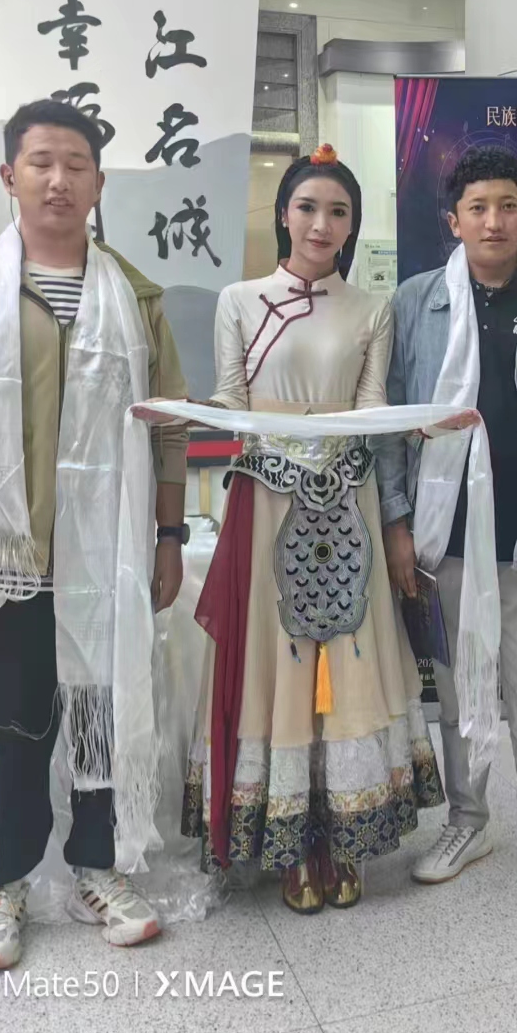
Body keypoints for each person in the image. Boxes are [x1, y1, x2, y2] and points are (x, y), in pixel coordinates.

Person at [0, 99, 189, 970]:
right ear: (9, 175)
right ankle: (3, 881)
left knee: (102, 716)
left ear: (99, 183)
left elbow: (169, 428)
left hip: (107, 554)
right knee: (10, 730)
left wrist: (169, 537)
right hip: (0, 557)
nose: (59, 180)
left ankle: (97, 866)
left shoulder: (134, 295)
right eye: (41, 162)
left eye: (76, 165)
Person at [180, 146, 443, 914]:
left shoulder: (371, 308)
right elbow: (232, 401)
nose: (321, 223)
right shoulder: (239, 299)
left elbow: (371, 410)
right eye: (308, 207)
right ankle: (291, 843)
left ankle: (340, 835)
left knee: (348, 661)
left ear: (352, 225)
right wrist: (184, 413)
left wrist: (418, 423)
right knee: (280, 662)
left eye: (338, 212)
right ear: (283, 214)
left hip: (348, 500)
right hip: (267, 501)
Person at [377, 145, 517, 889]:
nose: (493, 220)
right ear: (454, 220)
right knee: (455, 693)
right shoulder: (415, 303)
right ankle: (467, 822)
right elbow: (391, 422)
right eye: (477, 207)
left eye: (508, 205)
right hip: (445, 535)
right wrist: (396, 522)